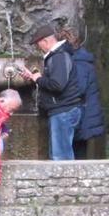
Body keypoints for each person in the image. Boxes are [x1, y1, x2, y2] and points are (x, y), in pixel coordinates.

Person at [19, 23, 84, 160]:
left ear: (46, 41)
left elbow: (57, 85)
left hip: (63, 111)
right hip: (64, 110)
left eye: (38, 44)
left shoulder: (59, 57)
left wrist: (38, 79)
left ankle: (65, 181)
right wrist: (33, 77)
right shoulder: (59, 55)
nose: (39, 48)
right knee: (61, 154)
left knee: (61, 158)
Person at [60, 25, 106, 159]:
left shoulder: (79, 62)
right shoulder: (82, 58)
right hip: (85, 114)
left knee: (76, 153)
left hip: (81, 115)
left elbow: (79, 88)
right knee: (77, 152)